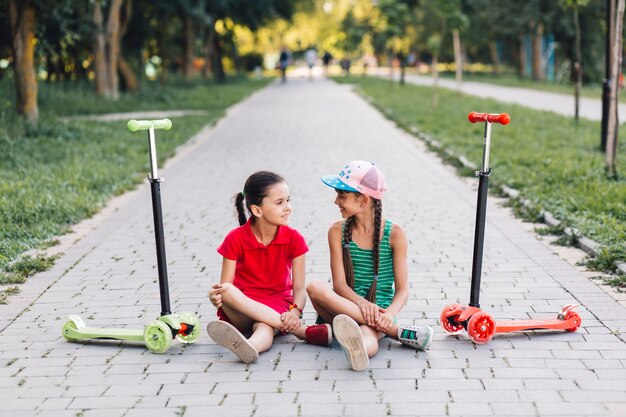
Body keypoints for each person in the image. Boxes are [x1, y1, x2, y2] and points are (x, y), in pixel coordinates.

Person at [306, 161, 433, 371]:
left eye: (342, 195)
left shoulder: (395, 234)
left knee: (368, 333)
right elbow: (338, 284)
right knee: (314, 287)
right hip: (345, 305)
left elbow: (402, 291)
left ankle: (358, 351)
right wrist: (363, 304)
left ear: (364, 200)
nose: (336, 201)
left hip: (380, 310)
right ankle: (396, 332)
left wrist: (389, 314)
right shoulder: (337, 231)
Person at [207, 171, 332, 364]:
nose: (288, 208)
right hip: (241, 308)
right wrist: (215, 296)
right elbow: (225, 286)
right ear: (257, 210)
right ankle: (302, 331)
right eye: (279, 202)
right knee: (228, 290)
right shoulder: (235, 238)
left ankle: (250, 347)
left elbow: (299, 289)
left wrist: (295, 312)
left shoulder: (294, 239)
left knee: (264, 326)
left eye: (288, 200)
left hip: (277, 305)